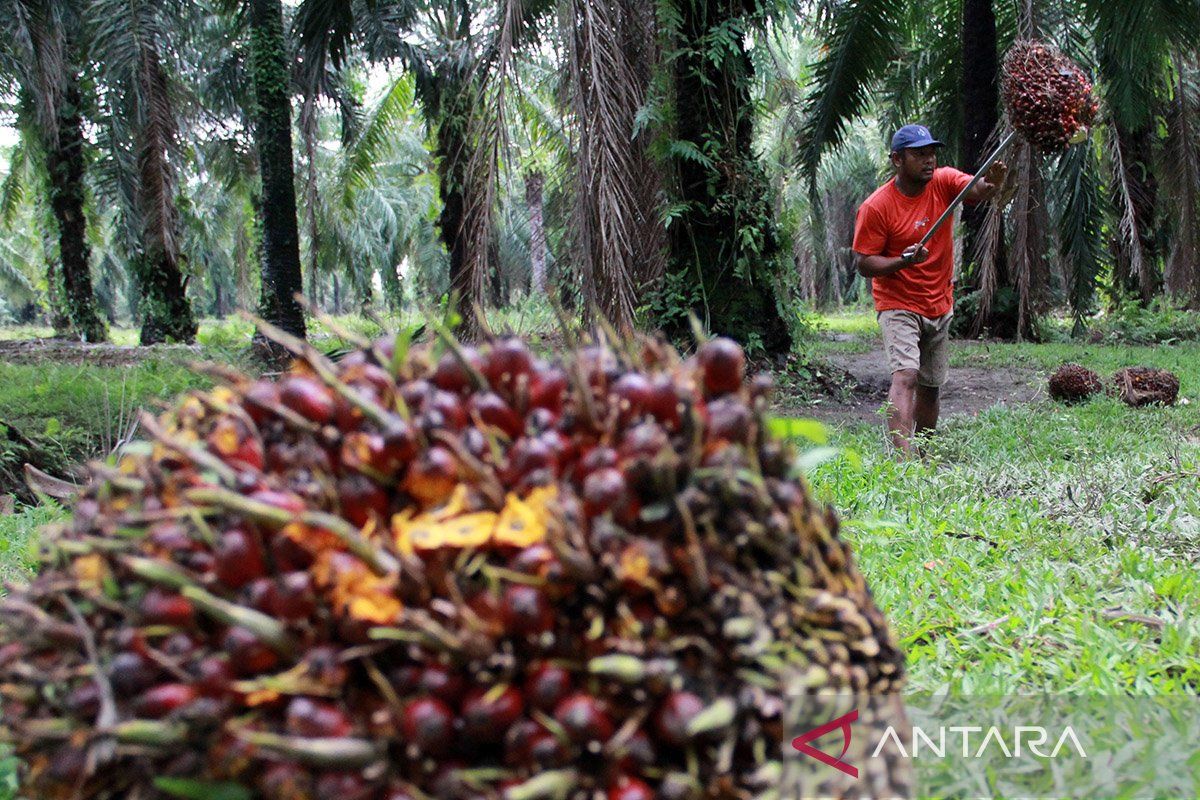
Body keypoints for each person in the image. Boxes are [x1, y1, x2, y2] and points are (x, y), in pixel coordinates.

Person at [852, 124, 1008, 456]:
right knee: (906, 375)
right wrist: (900, 262)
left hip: (938, 302)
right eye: (919, 154)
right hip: (897, 304)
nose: (929, 160)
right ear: (897, 159)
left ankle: (923, 454)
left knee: (931, 387)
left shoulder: (944, 181)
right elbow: (864, 262)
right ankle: (903, 459)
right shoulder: (877, 207)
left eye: (931, 153)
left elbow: (977, 189)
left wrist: (992, 183)